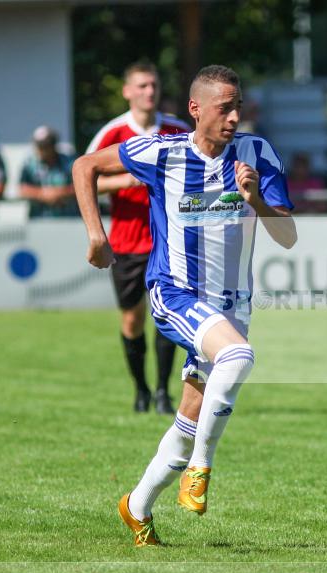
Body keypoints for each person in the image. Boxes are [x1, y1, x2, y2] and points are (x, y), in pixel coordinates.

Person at [74, 64, 297, 546]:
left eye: (239, 106)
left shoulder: (257, 154)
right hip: (175, 293)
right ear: (196, 110)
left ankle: (136, 507)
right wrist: (97, 235)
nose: (235, 116)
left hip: (232, 305)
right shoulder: (162, 152)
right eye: (225, 108)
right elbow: (84, 166)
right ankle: (202, 467)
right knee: (238, 358)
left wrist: (255, 198)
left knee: (189, 417)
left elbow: (287, 235)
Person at [86, 61, 191, 415]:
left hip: (169, 242)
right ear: (127, 91)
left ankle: (163, 391)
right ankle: (141, 390)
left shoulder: (177, 130)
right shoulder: (112, 134)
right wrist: (127, 180)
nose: (149, 92)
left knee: (167, 315)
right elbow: (88, 178)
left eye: (153, 85)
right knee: (132, 319)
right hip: (128, 242)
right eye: (142, 86)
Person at [19, 126, 78, 217]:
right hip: (38, 219)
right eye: (39, 146)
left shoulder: (70, 163)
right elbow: (22, 189)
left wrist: (59, 193)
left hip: (68, 220)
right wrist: (42, 194)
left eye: (45, 145)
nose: (41, 150)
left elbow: (81, 186)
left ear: (54, 145)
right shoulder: (29, 164)